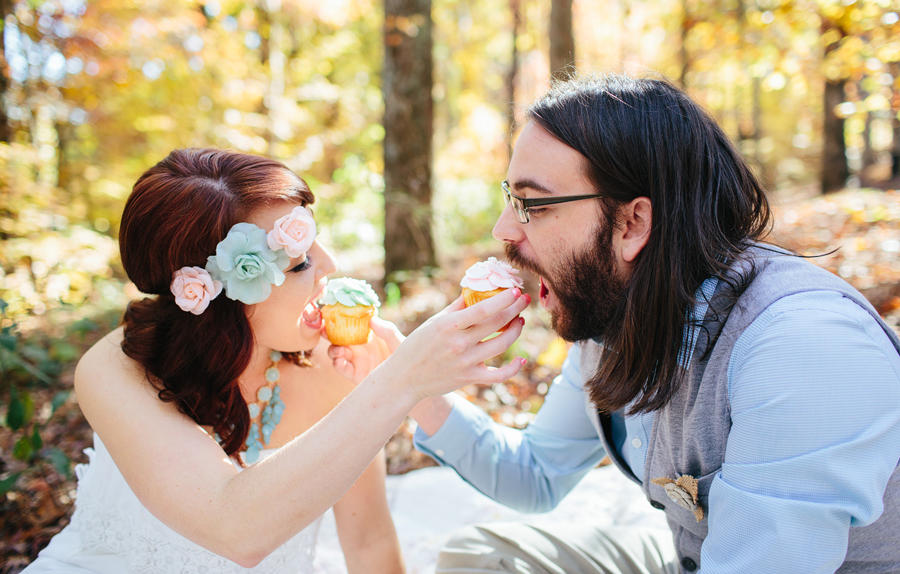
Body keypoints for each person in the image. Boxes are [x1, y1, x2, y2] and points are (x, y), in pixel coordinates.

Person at [400, 74, 900, 573]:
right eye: (513, 200)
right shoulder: (615, 311)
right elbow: (535, 476)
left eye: (534, 205)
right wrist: (403, 378)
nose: (503, 230)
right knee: (483, 556)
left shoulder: (800, 349)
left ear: (632, 223)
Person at [24, 148, 530, 574]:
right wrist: (401, 380)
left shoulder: (339, 370)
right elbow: (235, 528)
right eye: (300, 261)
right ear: (223, 296)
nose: (329, 266)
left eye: (317, 241)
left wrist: (395, 381)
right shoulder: (115, 368)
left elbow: (369, 542)